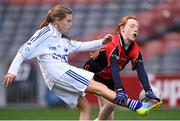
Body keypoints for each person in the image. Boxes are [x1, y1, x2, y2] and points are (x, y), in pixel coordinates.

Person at [3, 5, 159, 120]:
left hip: (55, 78)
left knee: (85, 107)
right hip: (59, 72)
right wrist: (12, 71)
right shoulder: (45, 33)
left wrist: (101, 42)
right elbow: (24, 50)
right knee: (99, 87)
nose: (70, 24)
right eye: (68, 21)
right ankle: (137, 106)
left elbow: (79, 46)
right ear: (57, 20)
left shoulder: (61, 38)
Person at [83, 15, 162, 120]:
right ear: (122, 28)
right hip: (93, 75)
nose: (136, 29)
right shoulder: (114, 43)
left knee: (109, 118)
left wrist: (148, 89)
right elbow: (114, 67)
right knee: (110, 105)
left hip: (108, 79)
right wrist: (120, 90)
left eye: (137, 28)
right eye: (132, 26)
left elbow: (140, 69)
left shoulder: (135, 49)